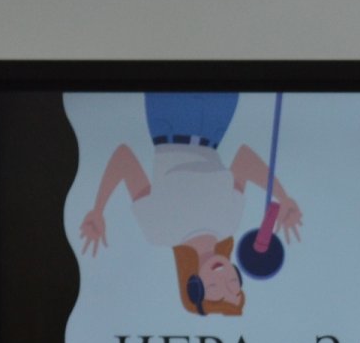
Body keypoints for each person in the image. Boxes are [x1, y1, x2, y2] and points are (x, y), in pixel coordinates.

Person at [77, 93, 304, 316]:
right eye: (233, 284)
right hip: (217, 121)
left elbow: (124, 158)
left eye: (214, 288)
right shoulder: (230, 222)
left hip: (169, 118)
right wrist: (283, 197)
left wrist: (98, 209)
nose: (222, 278)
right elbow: (244, 159)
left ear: (194, 283)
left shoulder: (158, 232)